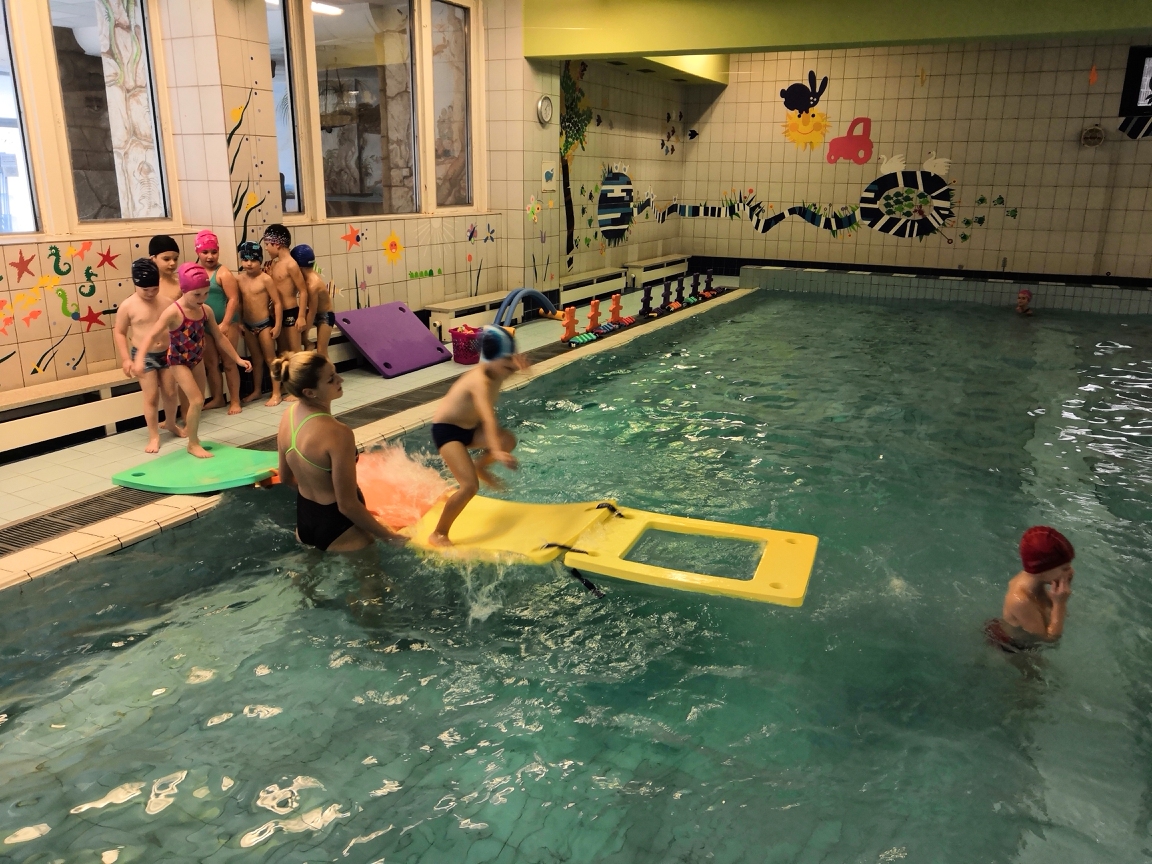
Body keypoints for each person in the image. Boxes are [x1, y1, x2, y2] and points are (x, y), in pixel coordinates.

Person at [273, 351, 406, 552]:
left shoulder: (288, 416)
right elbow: (347, 505)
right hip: (340, 527)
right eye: (331, 379)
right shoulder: (338, 433)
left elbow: (285, 478)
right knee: (375, 573)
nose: (340, 380)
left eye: (335, 373)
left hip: (305, 519)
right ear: (310, 392)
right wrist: (390, 537)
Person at [132, 262, 252, 459]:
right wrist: (138, 359)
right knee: (196, 400)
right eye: (197, 295)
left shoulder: (205, 310)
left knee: (198, 400)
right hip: (178, 361)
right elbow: (151, 336)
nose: (202, 299)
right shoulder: (173, 311)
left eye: (205, 294)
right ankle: (193, 444)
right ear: (184, 290)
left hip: (196, 359)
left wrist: (238, 358)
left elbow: (220, 337)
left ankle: (192, 435)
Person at [428, 325, 524, 547]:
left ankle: (480, 466)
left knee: (508, 440)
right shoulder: (479, 382)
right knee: (469, 486)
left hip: (470, 428)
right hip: (447, 431)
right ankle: (439, 534)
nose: (511, 364)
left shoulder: (499, 368)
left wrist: (522, 366)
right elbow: (488, 418)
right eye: (506, 359)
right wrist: (496, 452)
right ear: (491, 359)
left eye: (511, 357)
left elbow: (514, 366)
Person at [113, 259, 182, 453]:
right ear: (135, 284)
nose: (151, 293)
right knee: (151, 396)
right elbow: (119, 332)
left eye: (154, 288)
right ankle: (153, 436)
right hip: (143, 357)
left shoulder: (167, 302)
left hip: (167, 353)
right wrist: (126, 359)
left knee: (171, 392)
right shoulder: (128, 306)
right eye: (146, 290)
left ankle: (171, 423)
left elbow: (176, 327)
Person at [985, 526, 1075, 652]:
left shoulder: (1033, 579)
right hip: (1013, 646)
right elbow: (1050, 640)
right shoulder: (1020, 601)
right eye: (1065, 568)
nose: (1071, 571)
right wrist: (1060, 604)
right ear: (1042, 572)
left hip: (1020, 628)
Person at [195, 230, 243, 415]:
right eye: (205, 252)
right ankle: (217, 398)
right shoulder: (196, 272)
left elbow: (233, 299)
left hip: (226, 324)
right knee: (211, 363)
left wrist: (226, 322)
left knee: (229, 362)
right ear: (197, 252)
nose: (210, 256)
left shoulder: (223, 273)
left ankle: (235, 400)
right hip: (205, 325)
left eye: (214, 252)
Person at [236, 241, 284, 406]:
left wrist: (277, 325)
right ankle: (257, 391)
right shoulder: (239, 279)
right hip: (248, 325)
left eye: (254, 260)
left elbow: (277, 303)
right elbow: (240, 303)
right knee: (256, 359)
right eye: (245, 259)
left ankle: (276, 393)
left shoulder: (266, 279)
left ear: (261, 261)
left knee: (271, 359)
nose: (249, 263)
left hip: (264, 325)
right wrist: (239, 322)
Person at [262, 224, 310, 353]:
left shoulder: (291, 264)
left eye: (267, 244)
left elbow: (303, 291)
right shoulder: (275, 264)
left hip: (291, 313)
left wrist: (301, 316)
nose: (266, 248)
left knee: (295, 352)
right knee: (282, 352)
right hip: (278, 313)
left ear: (277, 244)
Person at [291, 244, 334, 358]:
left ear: (298, 266)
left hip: (325, 316)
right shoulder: (307, 277)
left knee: (321, 352)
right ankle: (308, 344)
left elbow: (312, 311)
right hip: (314, 313)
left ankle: (330, 372)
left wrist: (305, 333)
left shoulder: (313, 285)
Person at [149, 235, 182, 303]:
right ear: (152, 259)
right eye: (166, 259)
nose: (172, 263)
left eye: (175, 259)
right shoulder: (146, 284)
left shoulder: (181, 282)